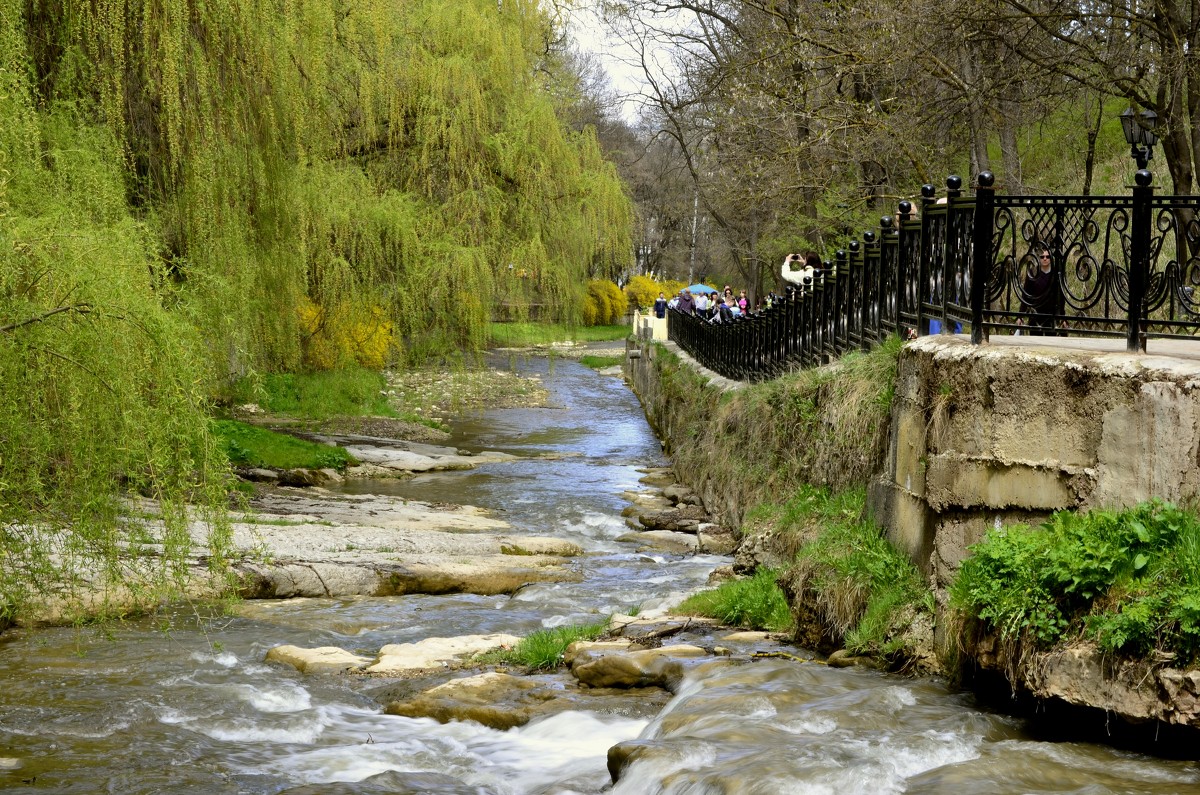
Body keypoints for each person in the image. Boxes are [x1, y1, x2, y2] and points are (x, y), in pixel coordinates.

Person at [1020, 247, 1062, 335]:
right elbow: (1026, 295)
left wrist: (1062, 317)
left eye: (1047, 256)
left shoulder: (1056, 275)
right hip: (1035, 314)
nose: (1045, 259)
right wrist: (1021, 315)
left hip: (1051, 315)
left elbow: (1060, 297)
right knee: (1034, 341)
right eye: (1042, 257)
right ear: (1039, 258)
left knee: (1050, 344)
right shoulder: (1032, 273)